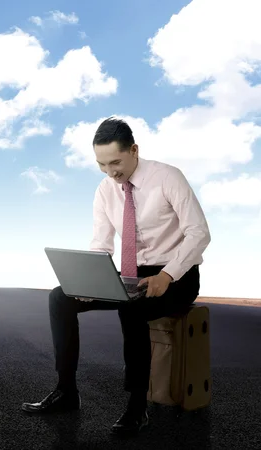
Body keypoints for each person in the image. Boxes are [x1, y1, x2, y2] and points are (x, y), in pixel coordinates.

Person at [20, 117, 211, 436]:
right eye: (101, 164)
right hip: (129, 274)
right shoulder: (105, 190)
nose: (110, 172)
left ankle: (137, 407)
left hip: (178, 274)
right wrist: (88, 279)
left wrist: (168, 275)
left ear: (134, 150)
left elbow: (198, 233)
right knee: (60, 297)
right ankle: (66, 391)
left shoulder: (168, 177)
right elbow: (101, 242)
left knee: (132, 307)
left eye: (115, 162)